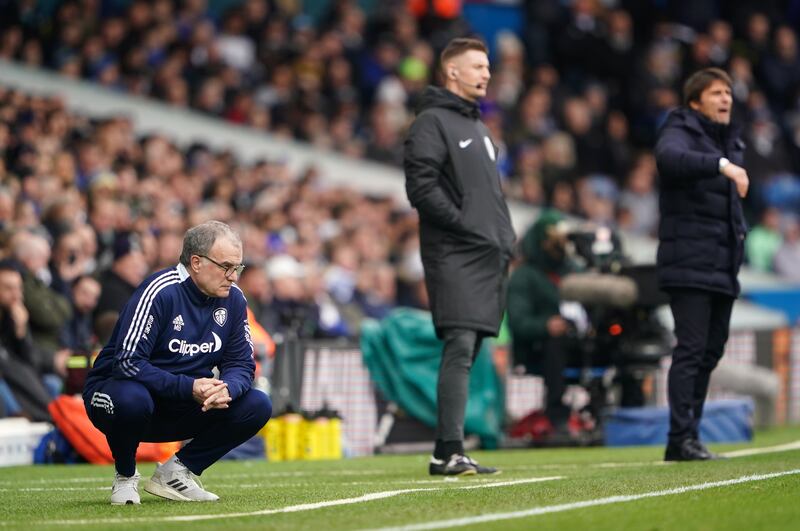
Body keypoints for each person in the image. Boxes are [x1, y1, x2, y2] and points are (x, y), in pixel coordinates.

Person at [83, 221, 272, 505]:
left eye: (238, 268)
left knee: (257, 405)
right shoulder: (160, 291)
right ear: (196, 262)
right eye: (226, 267)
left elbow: (242, 364)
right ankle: (125, 475)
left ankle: (177, 472)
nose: (233, 276)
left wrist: (228, 388)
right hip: (118, 400)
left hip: (181, 404)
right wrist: (188, 387)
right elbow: (127, 363)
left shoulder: (233, 300)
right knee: (133, 399)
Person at [404, 37, 516, 476]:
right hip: (454, 253)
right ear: (452, 72)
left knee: (469, 350)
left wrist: (503, 236)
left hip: (485, 254)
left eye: (487, 67)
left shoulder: (479, 128)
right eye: (477, 66)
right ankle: (448, 450)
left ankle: (447, 450)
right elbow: (422, 188)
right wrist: (468, 227)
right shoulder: (431, 122)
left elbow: (490, 195)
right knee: (461, 346)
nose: (486, 74)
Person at [654, 67, 749, 461]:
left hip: (721, 264)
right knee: (692, 349)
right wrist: (720, 165)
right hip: (689, 262)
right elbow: (668, 158)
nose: (725, 98)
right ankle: (680, 438)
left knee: (711, 350)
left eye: (728, 92)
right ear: (695, 101)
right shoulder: (680, 128)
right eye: (715, 93)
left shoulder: (731, 141)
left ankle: (689, 434)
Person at [506, 210, 577, 436]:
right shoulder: (524, 276)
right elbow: (518, 322)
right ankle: (557, 418)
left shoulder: (575, 271)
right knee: (554, 343)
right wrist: (545, 325)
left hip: (578, 342)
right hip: (537, 347)